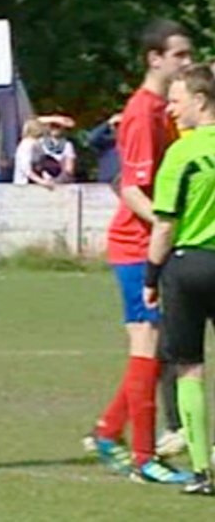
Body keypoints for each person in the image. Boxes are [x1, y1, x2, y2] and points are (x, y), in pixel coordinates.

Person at [89, 18, 193, 484]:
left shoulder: (165, 110)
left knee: (160, 350)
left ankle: (110, 431)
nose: (188, 63)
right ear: (155, 59)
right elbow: (130, 189)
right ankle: (143, 458)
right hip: (137, 246)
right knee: (148, 345)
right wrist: (167, 228)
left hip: (154, 243)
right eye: (181, 56)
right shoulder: (142, 111)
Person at [143, 63, 215, 496]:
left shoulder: (182, 154)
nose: (171, 109)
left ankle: (203, 471)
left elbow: (164, 225)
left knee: (189, 368)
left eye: (177, 100)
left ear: (201, 101)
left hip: (187, 268)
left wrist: (151, 277)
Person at [13, 119, 54, 189]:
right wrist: (41, 181)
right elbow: (25, 169)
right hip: (24, 186)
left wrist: (46, 177)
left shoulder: (37, 145)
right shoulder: (26, 146)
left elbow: (41, 164)